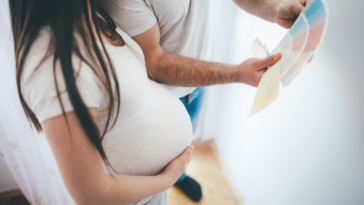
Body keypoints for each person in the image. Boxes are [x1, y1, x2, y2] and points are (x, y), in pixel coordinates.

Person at [100, 0, 304, 201]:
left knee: (185, 147)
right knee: (159, 165)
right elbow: (154, 63)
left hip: (198, 85)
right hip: (158, 100)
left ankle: (179, 177)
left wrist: (276, 7)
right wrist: (236, 73)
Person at [10, 0, 195, 204]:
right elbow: (92, 194)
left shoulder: (90, 14)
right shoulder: (52, 69)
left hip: (150, 189)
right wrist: (166, 179)